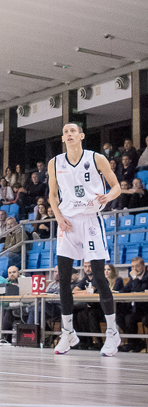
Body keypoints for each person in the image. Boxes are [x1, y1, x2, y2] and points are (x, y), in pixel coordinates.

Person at [48, 122, 121, 357]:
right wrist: (58, 217)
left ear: (81, 136)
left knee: (99, 277)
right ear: (63, 138)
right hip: (67, 222)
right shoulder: (55, 163)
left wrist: (108, 196)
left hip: (90, 220)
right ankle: (68, 333)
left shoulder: (96, 158)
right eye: (65, 132)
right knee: (63, 280)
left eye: (73, 131)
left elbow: (117, 187)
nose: (69, 134)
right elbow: (52, 195)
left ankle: (112, 333)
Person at [117, 255, 148, 352]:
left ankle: (136, 343)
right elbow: (125, 289)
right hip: (135, 310)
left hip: (145, 309)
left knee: (134, 319)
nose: (134, 269)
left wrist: (135, 278)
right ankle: (135, 343)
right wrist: (117, 292)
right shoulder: (132, 278)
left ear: (143, 266)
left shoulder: (146, 277)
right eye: (133, 267)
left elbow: (139, 290)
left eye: (137, 266)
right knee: (120, 317)